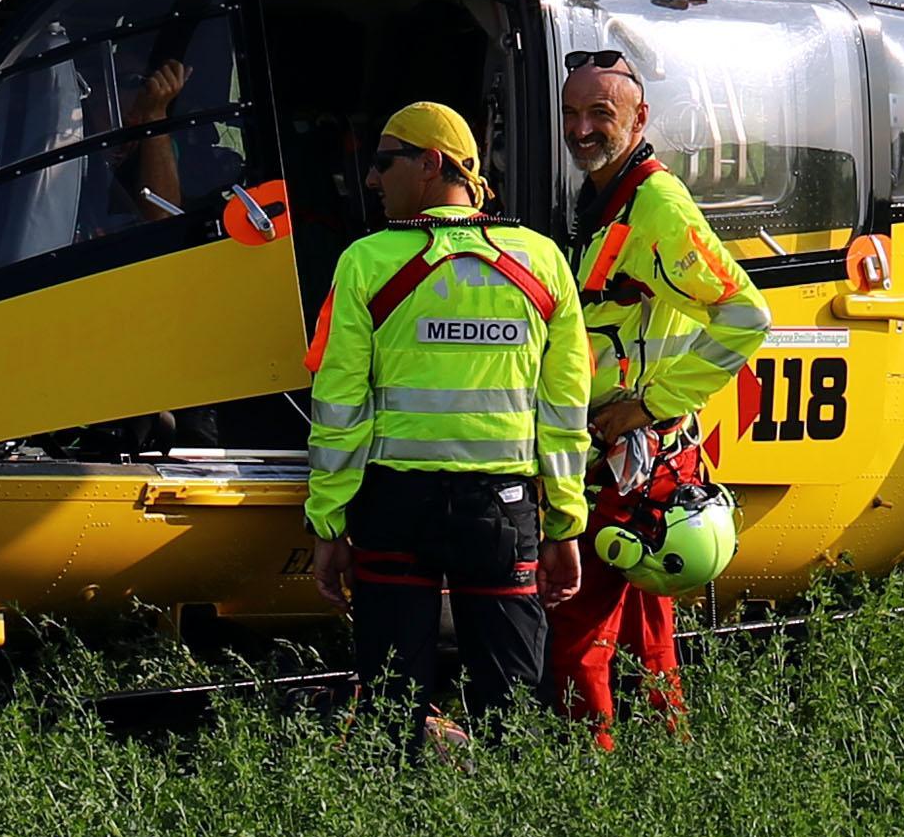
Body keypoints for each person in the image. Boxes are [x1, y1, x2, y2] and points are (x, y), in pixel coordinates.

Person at [302, 101, 589, 747]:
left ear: (430, 164)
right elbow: (564, 414)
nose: (371, 180)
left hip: (392, 507)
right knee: (512, 712)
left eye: (383, 162)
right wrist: (566, 522)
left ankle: (388, 836)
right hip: (501, 510)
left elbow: (338, 412)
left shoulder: (364, 263)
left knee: (387, 709)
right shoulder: (541, 263)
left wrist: (327, 523)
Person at [549, 46, 771, 746]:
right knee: (650, 639)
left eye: (599, 114)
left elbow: (745, 314)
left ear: (639, 118)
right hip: (645, 464)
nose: (581, 128)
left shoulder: (657, 207)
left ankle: (586, 772)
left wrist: (649, 405)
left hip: (628, 460)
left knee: (574, 633)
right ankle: (666, 761)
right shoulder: (608, 195)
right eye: (571, 113)